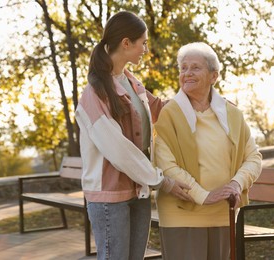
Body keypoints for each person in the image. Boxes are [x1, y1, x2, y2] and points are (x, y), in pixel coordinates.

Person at [75, 11, 191, 260]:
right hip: (109, 198)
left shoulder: (131, 82)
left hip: (138, 190)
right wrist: (162, 181)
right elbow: (119, 150)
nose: (146, 49)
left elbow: (159, 108)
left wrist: (202, 99)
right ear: (126, 43)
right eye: (143, 43)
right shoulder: (93, 95)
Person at [154, 42, 263, 260]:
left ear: (214, 76)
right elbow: (165, 164)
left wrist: (236, 184)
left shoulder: (233, 114)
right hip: (181, 214)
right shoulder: (169, 113)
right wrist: (204, 196)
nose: (187, 73)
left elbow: (254, 157)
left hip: (224, 213)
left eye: (195, 67)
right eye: (183, 68)